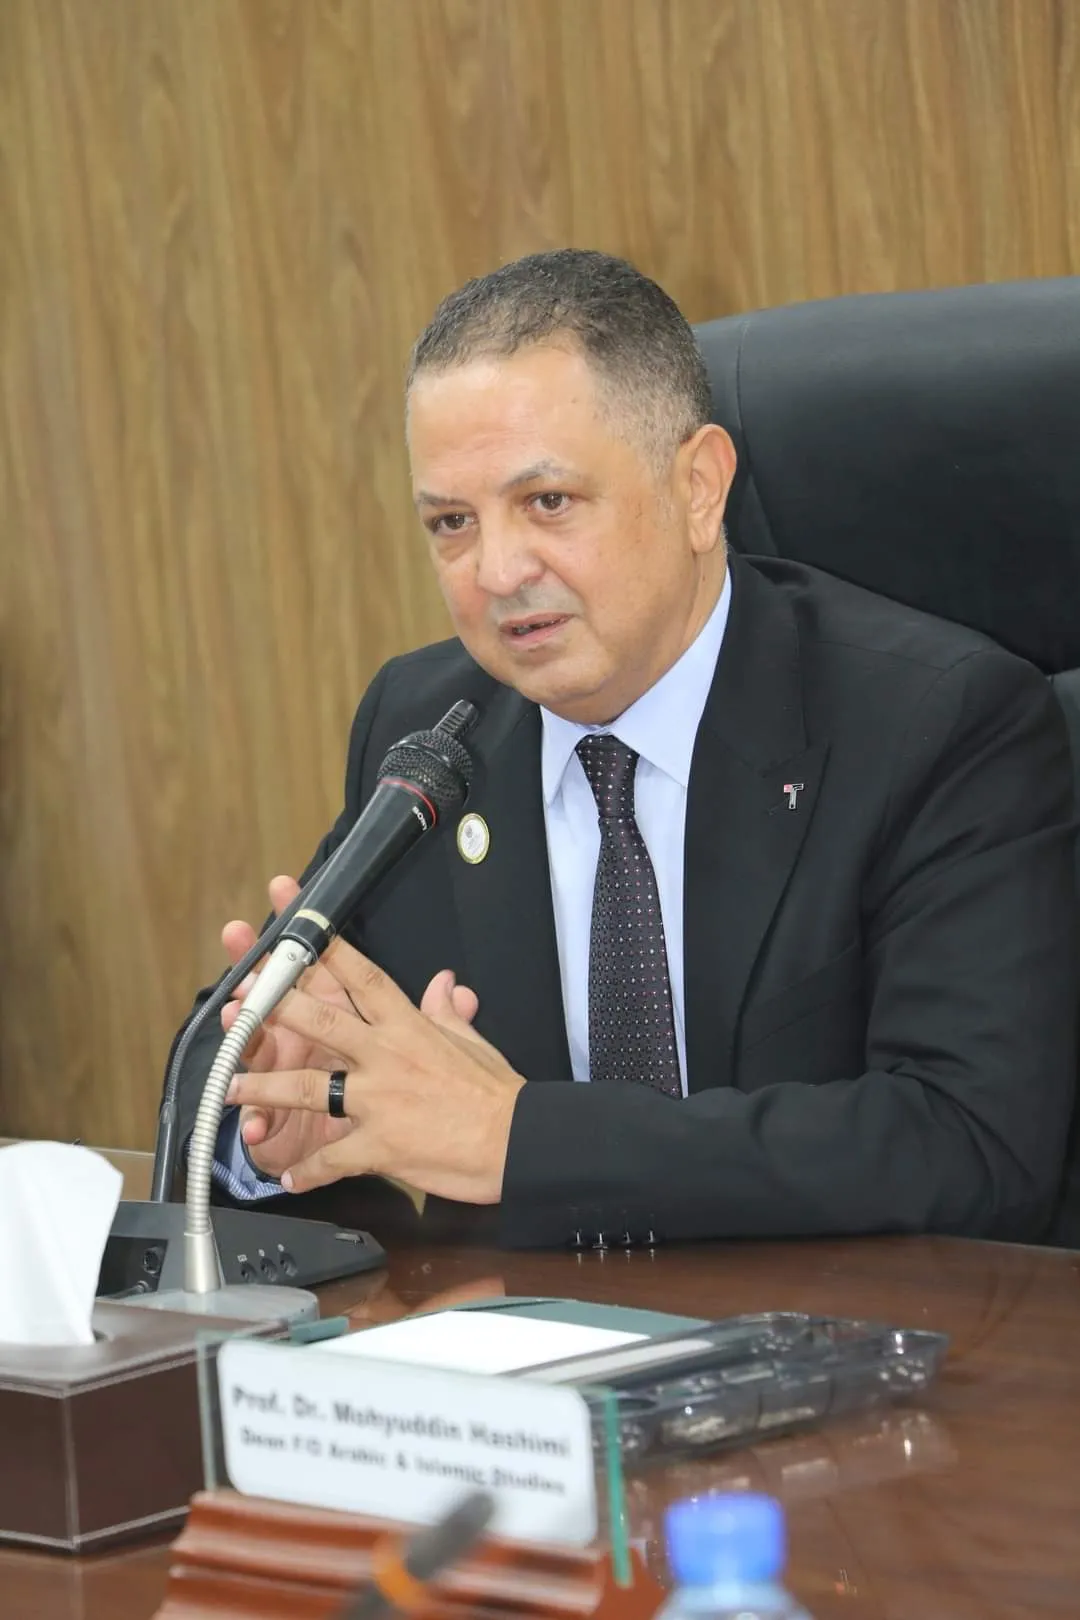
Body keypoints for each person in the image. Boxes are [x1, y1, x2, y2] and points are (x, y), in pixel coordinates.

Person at [172, 249, 1077, 1248]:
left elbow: (974, 1146)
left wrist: (520, 1138)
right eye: (452, 524)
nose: (500, 571)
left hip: (842, 1361)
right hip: (520, 1365)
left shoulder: (938, 724)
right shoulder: (427, 732)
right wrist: (276, 1116)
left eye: (547, 503)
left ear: (698, 487)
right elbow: (218, 1098)